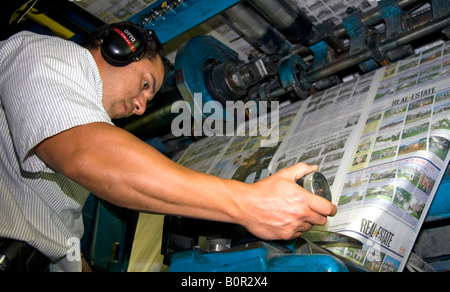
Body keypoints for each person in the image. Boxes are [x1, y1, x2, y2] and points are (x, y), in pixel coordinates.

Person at [0, 21, 337, 272]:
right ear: (117, 47)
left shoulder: (71, 132)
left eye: (148, 96)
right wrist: (248, 203)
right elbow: (89, 156)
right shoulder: (43, 55)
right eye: (145, 84)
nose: (141, 107)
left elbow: (55, 233)